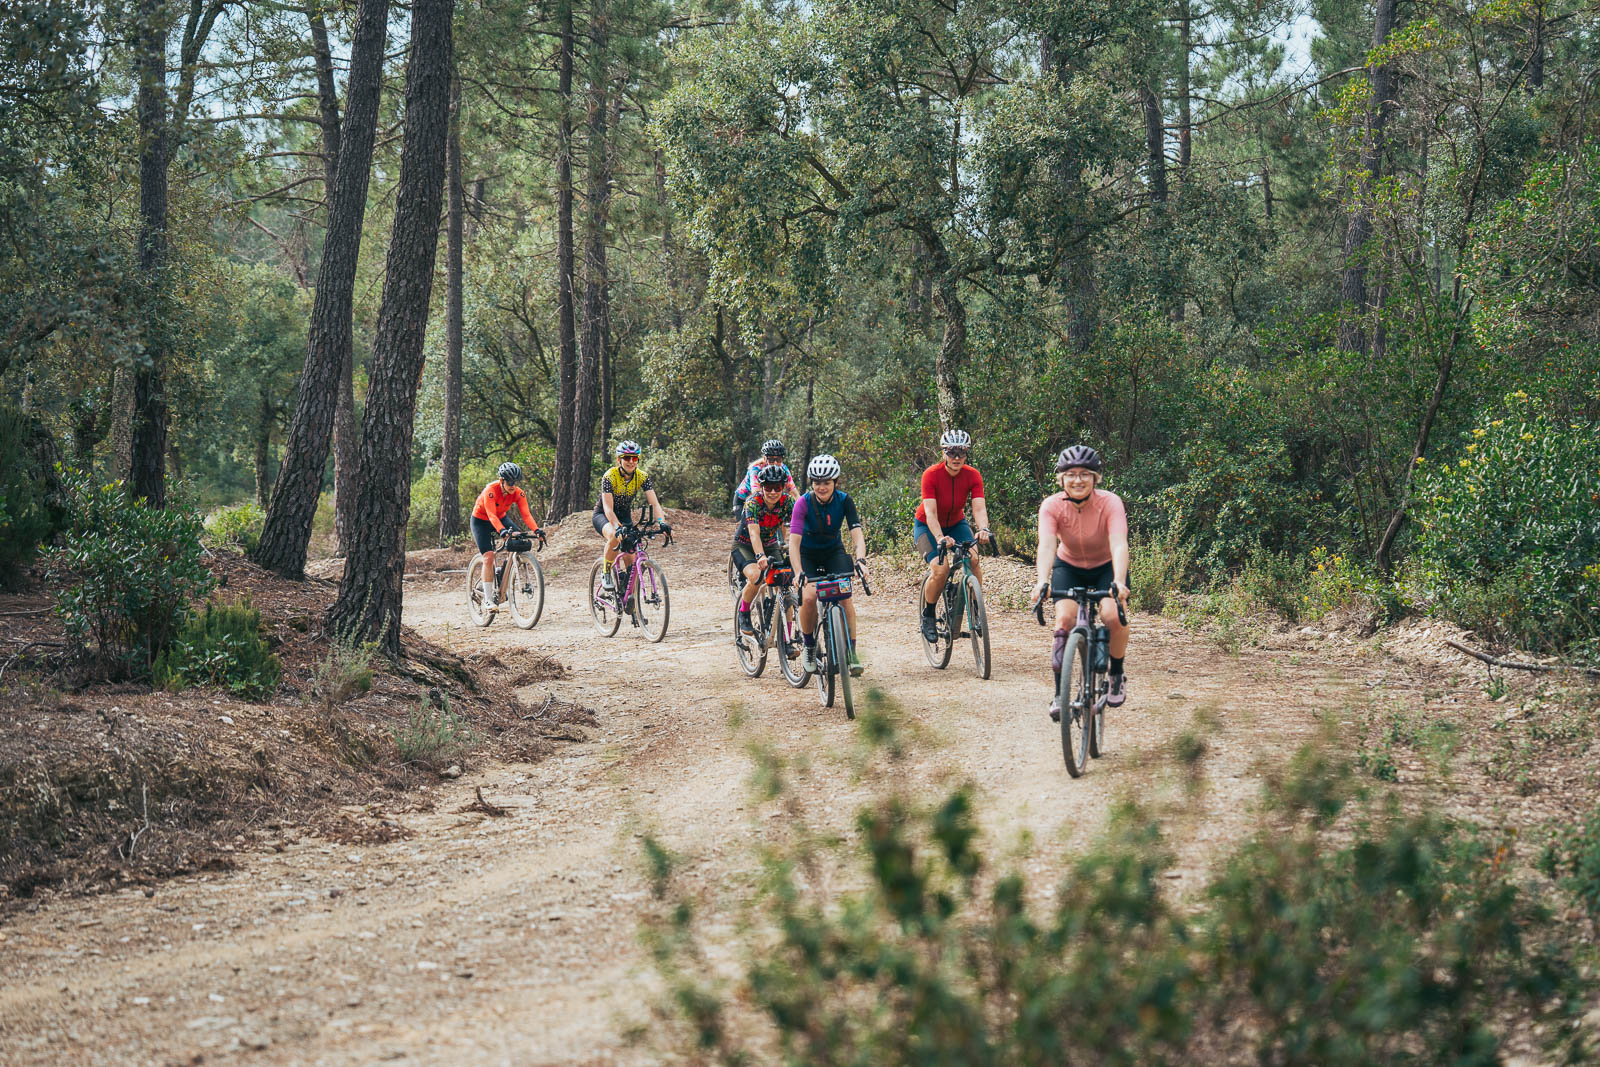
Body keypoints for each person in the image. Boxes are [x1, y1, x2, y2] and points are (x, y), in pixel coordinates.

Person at [1033, 445, 1131, 720]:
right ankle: (1059, 694)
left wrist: (1120, 582)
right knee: (1064, 619)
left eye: (1085, 474)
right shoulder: (1051, 506)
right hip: (1069, 565)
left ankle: (1116, 673)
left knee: (1113, 615)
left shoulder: (1110, 502)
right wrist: (1042, 580)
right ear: (1061, 479)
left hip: (1106, 567)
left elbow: (1119, 544)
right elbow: (1047, 546)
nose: (1078, 480)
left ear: (1095, 478)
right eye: (1071, 474)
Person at [787, 454, 869, 677]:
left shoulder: (844, 501)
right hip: (807, 554)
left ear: (835, 482)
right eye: (816, 482)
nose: (821, 487)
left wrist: (861, 560)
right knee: (810, 596)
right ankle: (810, 645)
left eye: (826, 482)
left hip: (833, 551)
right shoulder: (803, 503)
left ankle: (851, 653)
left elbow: (857, 536)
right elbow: (793, 544)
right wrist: (798, 573)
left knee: (845, 595)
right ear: (811, 483)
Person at [913, 428, 992, 643]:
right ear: (943, 453)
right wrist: (939, 538)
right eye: (952, 452)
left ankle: (976, 610)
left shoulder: (973, 475)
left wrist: (983, 528)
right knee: (941, 569)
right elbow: (930, 513)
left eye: (961, 452)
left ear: (966, 454)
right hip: (927, 526)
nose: (957, 458)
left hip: (956, 523)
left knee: (973, 559)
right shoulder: (931, 474)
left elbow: (978, 508)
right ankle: (928, 615)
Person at [593, 440, 670, 592]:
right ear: (619, 459)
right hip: (603, 514)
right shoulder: (610, 476)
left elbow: (655, 504)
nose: (631, 461)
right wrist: (617, 527)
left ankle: (629, 597)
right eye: (627, 458)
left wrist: (662, 523)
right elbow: (608, 508)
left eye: (634, 458)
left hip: (624, 516)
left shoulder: (642, 477)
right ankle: (606, 571)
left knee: (631, 562)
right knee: (615, 536)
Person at [733, 463, 795, 635]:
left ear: (783, 487)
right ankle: (743, 612)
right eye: (768, 487)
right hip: (744, 545)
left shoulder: (788, 502)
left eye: (777, 487)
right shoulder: (752, 502)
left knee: (785, 586)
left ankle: (788, 638)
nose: (773, 492)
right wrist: (760, 556)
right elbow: (754, 533)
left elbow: (801, 526)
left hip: (770, 545)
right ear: (761, 487)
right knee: (757, 576)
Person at [470, 462, 542, 605]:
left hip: (501, 517)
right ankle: (489, 600)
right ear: (501, 480)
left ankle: (501, 574)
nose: (513, 485)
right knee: (488, 557)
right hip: (481, 521)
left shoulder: (518, 493)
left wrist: (537, 530)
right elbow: (491, 515)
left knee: (518, 540)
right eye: (510, 482)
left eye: (516, 482)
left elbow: (526, 515)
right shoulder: (491, 490)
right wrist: (502, 531)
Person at [732, 439, 798, 513]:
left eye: (778, 459)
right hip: (743, 500)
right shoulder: (756, 469)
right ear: (764, 459)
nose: (775, 463)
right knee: (748, 522)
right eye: (771, 460)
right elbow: (756, 494)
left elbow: (794, 493)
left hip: (765, 498)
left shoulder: (784, 469)